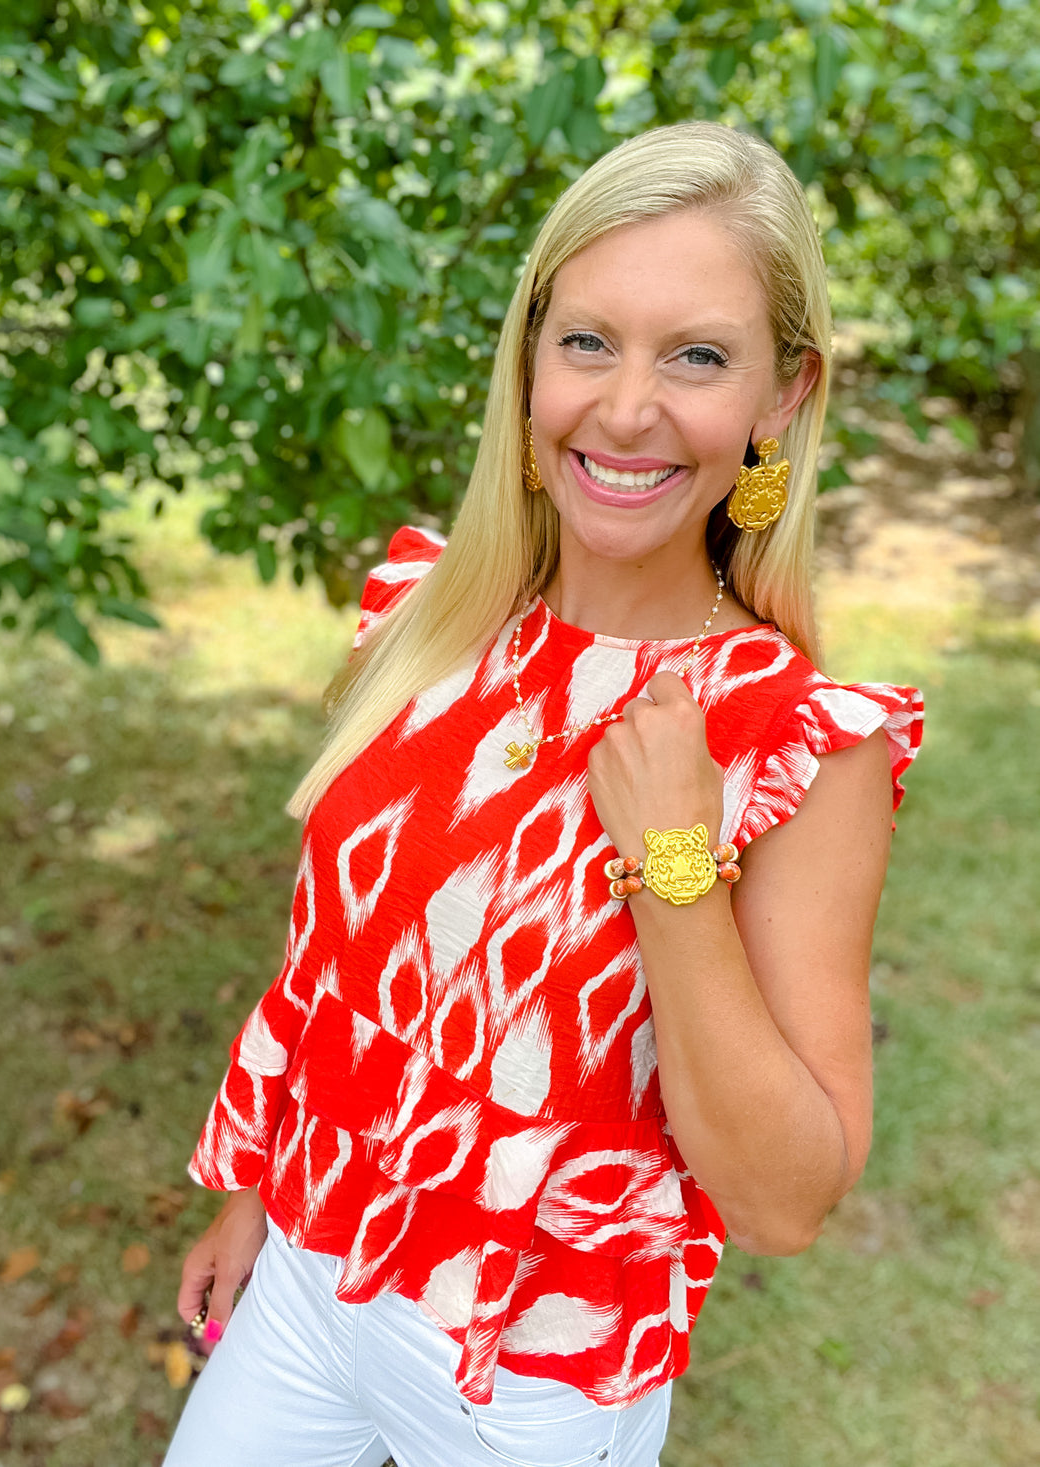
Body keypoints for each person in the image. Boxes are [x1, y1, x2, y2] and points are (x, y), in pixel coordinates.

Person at [164, 121, 921, 1467]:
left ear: (782, 396)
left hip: (532, 1377)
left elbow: (788, 1199)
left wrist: (677, 865)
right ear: (528, 361)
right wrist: (260, 1197)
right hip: (309, 1278)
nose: (627, 410)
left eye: (696, 356)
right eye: (588, 342)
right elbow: (333, 964)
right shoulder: (430, 618)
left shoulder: (794, 738)